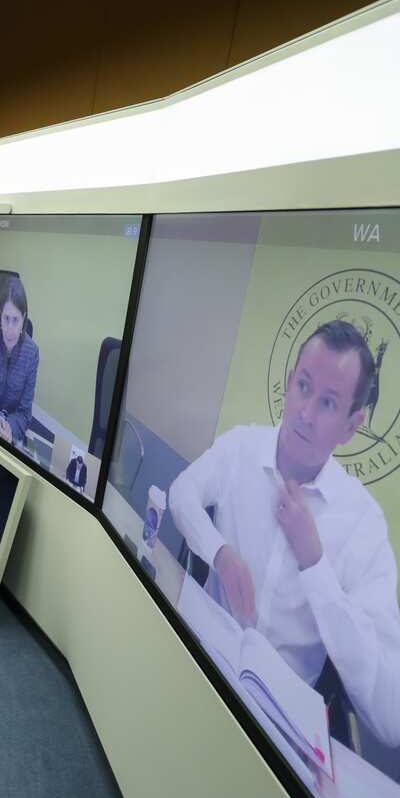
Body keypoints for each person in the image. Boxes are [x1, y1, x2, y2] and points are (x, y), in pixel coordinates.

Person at [170, 319, 400, 746]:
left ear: (353, 425)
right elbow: (182, 493)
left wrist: (314, 562)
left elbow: (391, 714)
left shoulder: (361, 523)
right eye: (304, 388)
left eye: (329, 403)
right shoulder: (242, 447)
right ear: (290, 381)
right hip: (203, 669)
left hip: (278, 735)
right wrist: (220, 553)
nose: (305, 414)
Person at [0, 277, 39, 444]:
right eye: (6, 318)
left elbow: (25, 412)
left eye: (16, 320)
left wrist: (10, 426)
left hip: (13, 427)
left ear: (24, 318)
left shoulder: (32, 352)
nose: (10, 329)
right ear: (0, 315)